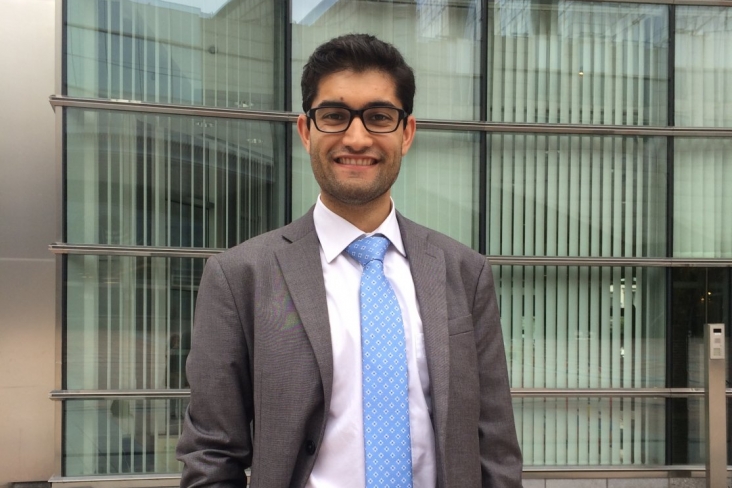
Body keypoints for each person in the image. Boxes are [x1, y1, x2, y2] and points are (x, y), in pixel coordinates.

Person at [176, 33, 522, 487]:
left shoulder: (464, 271)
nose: (357, 138)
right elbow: (211, 454)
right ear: (306, 131)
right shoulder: (241, 276)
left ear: (406, 133)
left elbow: (495, 446)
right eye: (335, 116)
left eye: (379, 117)